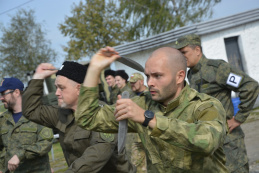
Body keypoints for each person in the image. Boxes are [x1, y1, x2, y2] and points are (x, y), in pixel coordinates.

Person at [75, 46, 229, 172]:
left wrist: (149, 119)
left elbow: (208, 141)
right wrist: (94, 70)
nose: (150, 83)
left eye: (157, 76)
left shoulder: (205, 105)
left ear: (179, 77)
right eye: (148, 76)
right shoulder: (142, 104)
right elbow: (87, 118)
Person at [22, 61, 136, 173]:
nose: (57, 93)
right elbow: (30, 110)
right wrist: (37, 78)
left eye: (61, 88)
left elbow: (97, 154)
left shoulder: (102, 113)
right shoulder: (61, 114)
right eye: (56, 87)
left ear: (79, 89)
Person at [174, 33, 259, 173]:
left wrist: (238, 118)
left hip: (228, 142)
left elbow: (250, 86)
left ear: (197, 50)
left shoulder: (217, 68)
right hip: (209, 142)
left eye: (184, 52)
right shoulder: (191, 75)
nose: (181, 57)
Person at [0, 77, 53, 173]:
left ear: (16, 92)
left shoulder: (39, 114)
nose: (1, 98)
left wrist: (20, 155)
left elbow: (45, 143)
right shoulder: (2, 120)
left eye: (4, 94)